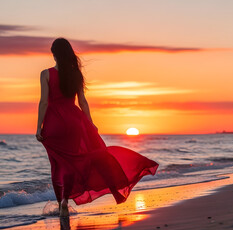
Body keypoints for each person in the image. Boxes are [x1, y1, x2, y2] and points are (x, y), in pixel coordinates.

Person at [36, 38, 159, 217]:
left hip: (54, 123)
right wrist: (90, 123)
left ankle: (61, 202)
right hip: (74, 121)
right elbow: (83, 102)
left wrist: (39, 127)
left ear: (53, 54)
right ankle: (65, 201)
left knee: (57, 164)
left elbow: (44, 102)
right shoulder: (76, 75)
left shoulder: (45, 74)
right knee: (76, 161)